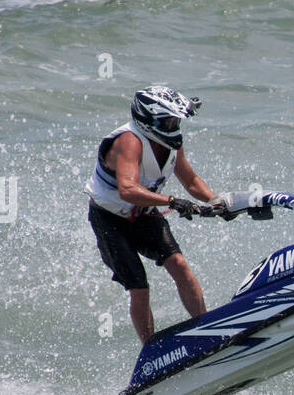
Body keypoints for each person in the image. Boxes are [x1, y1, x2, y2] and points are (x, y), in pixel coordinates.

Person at [86, 85, 227, 343]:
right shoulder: (129, 142)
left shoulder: (170, 143)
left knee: (180, 266)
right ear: (148, 119)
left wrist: (216, 201)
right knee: (140, 288)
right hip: (110, 220)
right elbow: (127, 189)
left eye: (176, 120)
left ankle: (206, 328)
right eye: (168, 120)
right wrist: (172, 201)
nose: (173, 126)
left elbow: (191, 180)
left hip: (144, 215)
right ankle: (151, 350)